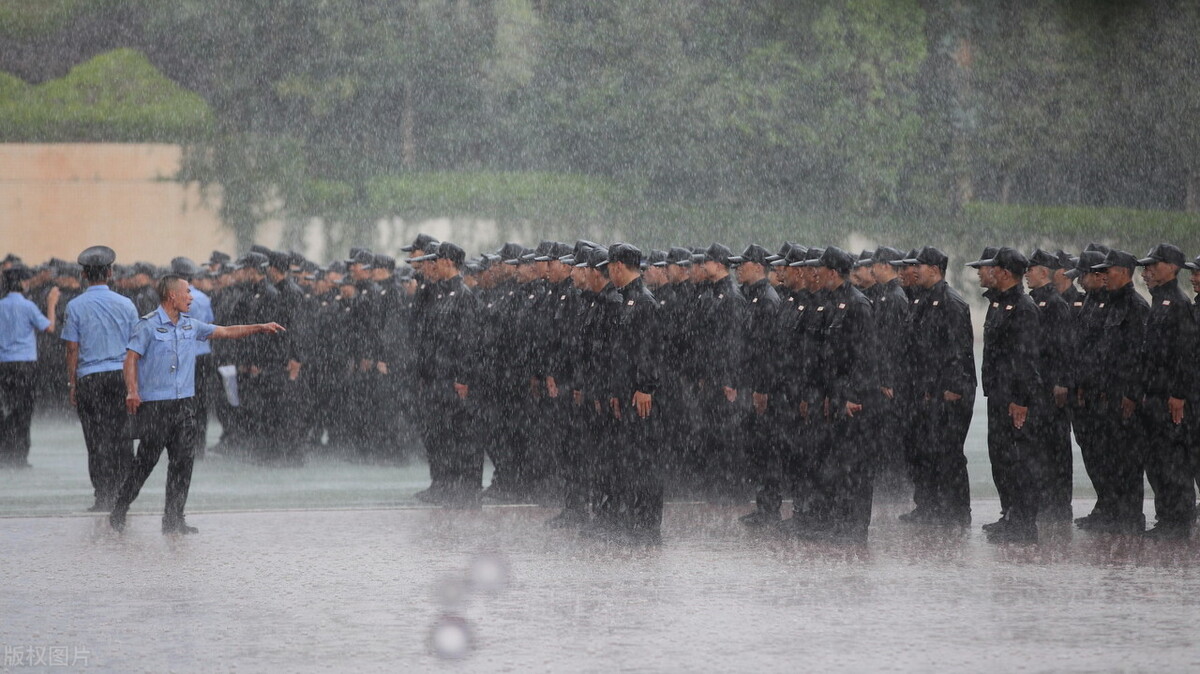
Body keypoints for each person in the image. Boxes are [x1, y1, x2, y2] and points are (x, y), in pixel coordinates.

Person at [110, 275, 285, 534]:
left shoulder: (190, 325)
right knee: (145, 462)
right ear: (172, 295)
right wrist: (132, 390)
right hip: (156, 407)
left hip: (184, 406)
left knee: (183, 463)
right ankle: (120, 508)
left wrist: (259, 327)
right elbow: (131, 358)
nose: (191, 297)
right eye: (187, 292)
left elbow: (225, 331)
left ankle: (174, 519)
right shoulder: (147, 325)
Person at [975, 248, 1044, 544]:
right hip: (999, 394)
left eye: (992, 268)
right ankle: (1010, 514)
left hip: (1015, 397)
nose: (987, 271)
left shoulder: (1024, 307)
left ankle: (1024, 523)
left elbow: (1026, 358)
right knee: (1001, 457)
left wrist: (1020, 399)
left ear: (1004, 272)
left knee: (1020, 460)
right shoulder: (999, 303)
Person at [63, 246, 139, 510]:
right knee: (123, 436)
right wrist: (135, 385)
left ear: (84, 275)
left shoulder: (74, 306)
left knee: (96, 439)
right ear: (110, 273)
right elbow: (136, 347)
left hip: (90, 378)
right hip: (121, 376)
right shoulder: (126, 304)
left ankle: (103, 495)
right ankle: (124, 494)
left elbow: (72, 348)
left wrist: (73, 383)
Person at [1134, 244, 1196, 539]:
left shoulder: (1179, 304)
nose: (1147, 272)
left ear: (1172, 268)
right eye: (1146, 267)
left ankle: (1179, 520)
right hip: (1155, 394)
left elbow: (1185, 354)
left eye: (1153, 266)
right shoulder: (1159, 301)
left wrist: (1178, 394)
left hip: (1170, 395)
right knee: (1157, 459)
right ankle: (1167, 516)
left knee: (1173, 460)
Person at [0, 266, 55, 467]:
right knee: (24, 409)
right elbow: (49, 327)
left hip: (3, 364)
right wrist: (51, 304)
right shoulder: (28, 306)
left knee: (5, 408)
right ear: (22, 283)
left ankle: (4, 453)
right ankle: (20, 455)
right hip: (25, 364)